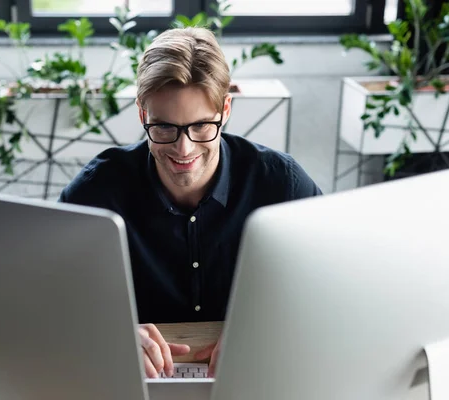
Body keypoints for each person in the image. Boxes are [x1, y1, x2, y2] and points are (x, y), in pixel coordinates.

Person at [58, 27, 322, 379]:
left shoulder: (281, 183)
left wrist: (266, 330)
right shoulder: (97, 191)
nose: (184, 150)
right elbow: (55, 299)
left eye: (201, 126)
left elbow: (326, 286)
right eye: (164, 128)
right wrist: (106, 335)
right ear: (142, 115)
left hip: (256, 373)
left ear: (225, 109)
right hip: (133, 378)